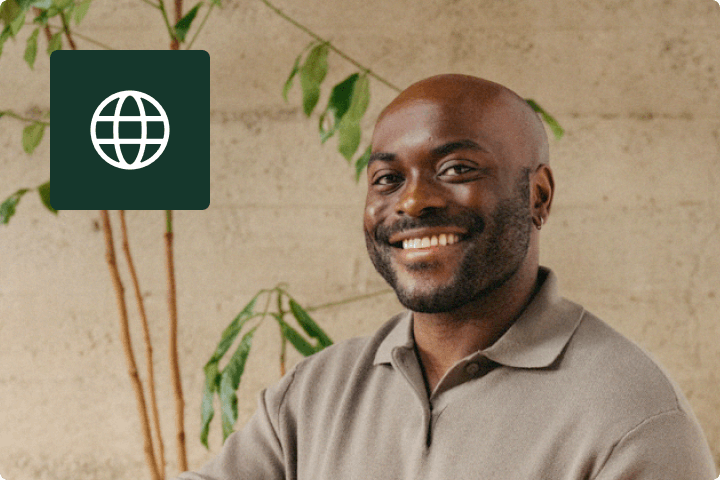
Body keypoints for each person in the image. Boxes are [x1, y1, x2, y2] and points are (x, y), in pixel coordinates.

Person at [176, 74, 717, 479]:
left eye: (456, 169)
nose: (412, 200)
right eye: (387, 179)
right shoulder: (313, 395)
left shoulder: (633, 419)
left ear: (538, 196)